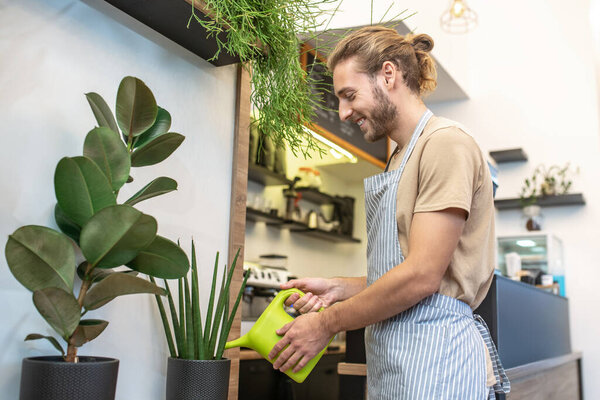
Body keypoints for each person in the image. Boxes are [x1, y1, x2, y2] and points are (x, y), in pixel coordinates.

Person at [267, 26, 511, 399]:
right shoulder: (399, 156)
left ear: (389, 74)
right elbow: (404, 269)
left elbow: (421, 278)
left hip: (437, 362)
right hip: (399, 362)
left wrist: (325, 324)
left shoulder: (445, 144)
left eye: (349, 95)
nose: (344, 112)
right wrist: (340, 288)